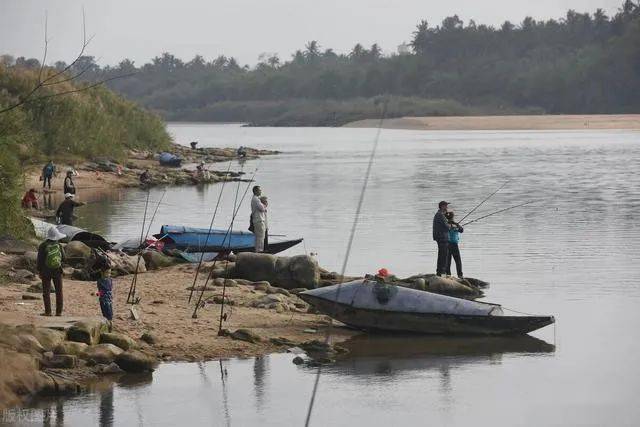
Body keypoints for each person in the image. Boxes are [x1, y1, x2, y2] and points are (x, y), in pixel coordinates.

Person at [36, 227, 66, 316]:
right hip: (57, 270)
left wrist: (39, 271)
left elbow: (39, 260)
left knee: (46, 292)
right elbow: (64, 258)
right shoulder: (59, 245)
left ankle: (48, 312)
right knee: (59, 291)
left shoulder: (43, 245)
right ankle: (59, 312)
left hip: (45, 271)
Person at [92, 249, 114, 325]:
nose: (108, 274)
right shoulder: (109, 280)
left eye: (110, 273)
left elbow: (103, 291)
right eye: (107, 273)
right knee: (108, 313)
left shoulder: (102, 281)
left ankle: (109, 323)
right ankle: (109, 323)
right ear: (102, 272)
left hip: (105, 300)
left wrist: (96, 293)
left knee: (107, 313)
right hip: (108, 299)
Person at [432, 200, 452, 276]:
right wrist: (451, 226)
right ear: (442, 206)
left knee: (441, 255)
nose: (447, 207)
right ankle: (442, 272)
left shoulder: (439, 214)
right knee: (443, 256)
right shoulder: (440, 215)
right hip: (442, 238)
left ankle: (439, 272)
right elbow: (447, 227)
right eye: (446, 205)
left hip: (440, 238)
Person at [445, 211, 464, 278]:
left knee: (448, 260)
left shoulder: (446, 224)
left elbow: (461, 230)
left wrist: (456, 225)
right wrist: (457, 224)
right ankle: (460, 275)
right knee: (458, 260)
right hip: (454, 244)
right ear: (453, 217)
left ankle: (448, 274)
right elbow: (461, 230)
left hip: (447, 244)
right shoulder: (454, 224)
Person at [251, 185, 267, 252]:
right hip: (259, 221)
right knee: (260, 237)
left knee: (259, 238)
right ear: (255, 191)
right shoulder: (256, 199)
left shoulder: (256, 199)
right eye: (259, 190)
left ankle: (258, 251)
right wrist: (265, 204)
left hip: (257, 221)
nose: (261, 191)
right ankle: (259, 251)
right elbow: (262, 208)